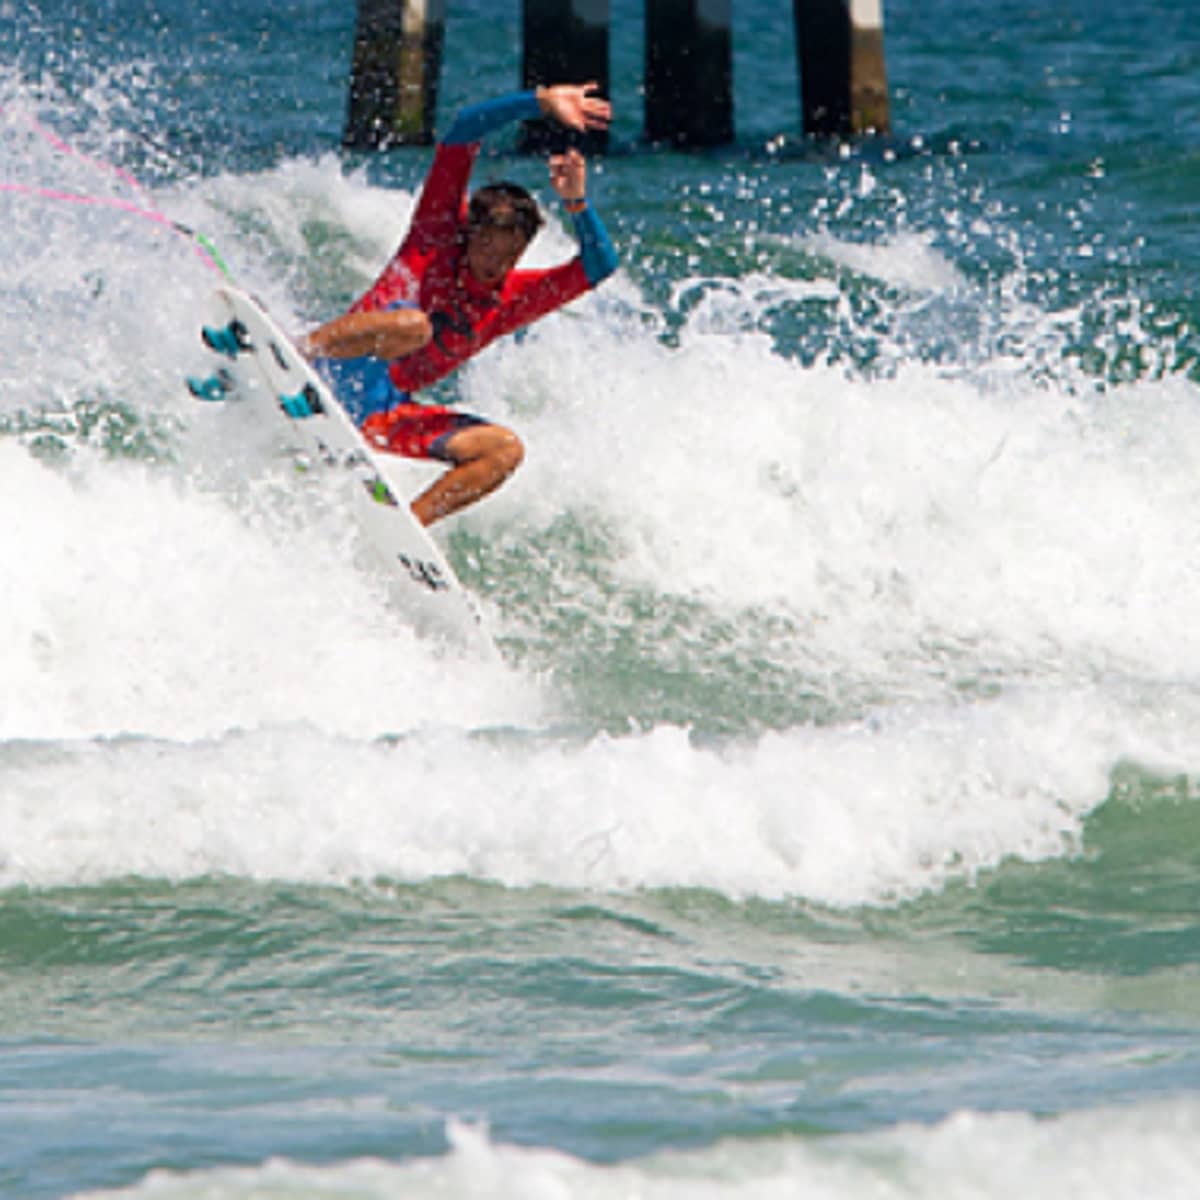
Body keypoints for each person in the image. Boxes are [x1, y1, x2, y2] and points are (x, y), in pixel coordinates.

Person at [301, 82, 618, 527]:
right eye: (486, 248)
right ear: (469, 233)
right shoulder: (433, 237)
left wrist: (577, 203)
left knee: (504, 450)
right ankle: (294, 354)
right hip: (328, 368)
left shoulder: (513, 299)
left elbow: (600, 264)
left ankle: (405, 531)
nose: (495, 264)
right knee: (414, 326)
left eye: (508, 255)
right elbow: (464, 129)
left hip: (382, 416)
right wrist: (540, 103)